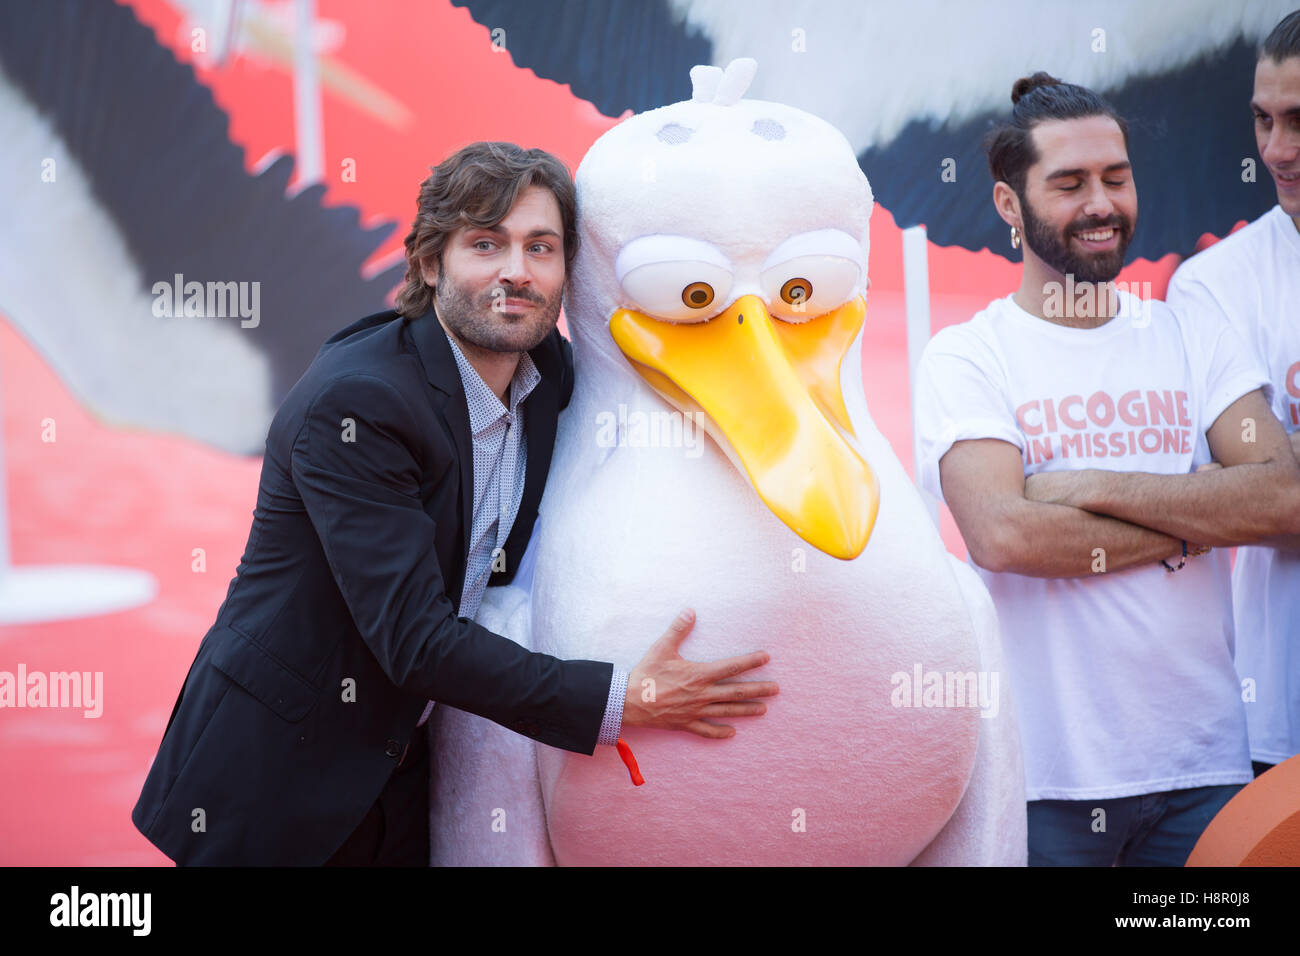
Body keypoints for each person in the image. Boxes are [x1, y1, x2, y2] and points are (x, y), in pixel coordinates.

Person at [131, 142, 779, 866]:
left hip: (407, 769)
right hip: (280, 774)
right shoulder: (360, 405)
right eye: (485, 243)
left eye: (541, 247)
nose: (516, 270)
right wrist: (621, 699)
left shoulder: (549, 376)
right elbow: (415, 639)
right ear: (430, 262)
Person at [913, 73, 1300, 866]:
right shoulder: (968, 355)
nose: (1101, 203)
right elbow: (1005, 535)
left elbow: (1285, 497)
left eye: (1115, 179)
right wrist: (1198, 518)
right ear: (1008, 206)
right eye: (1070, 183)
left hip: (1206, 773)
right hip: (1046, 782)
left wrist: (1086, 486)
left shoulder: (1191, 331)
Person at [1166, 9, 1300, 779]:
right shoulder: (1216, 283)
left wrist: (1277, 464)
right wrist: (1261, 485)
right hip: (1277, 723)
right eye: (1262, 120)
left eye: (1298, 120)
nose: (1277, 151)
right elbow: (1253, 503)